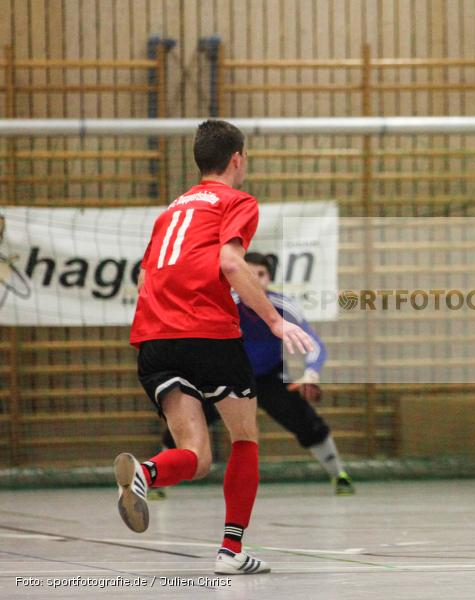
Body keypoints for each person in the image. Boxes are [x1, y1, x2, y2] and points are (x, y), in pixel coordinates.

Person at [116, 119, 314, 575]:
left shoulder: (170, 212)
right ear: (237, 158)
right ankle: (231, 550)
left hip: (155, 339)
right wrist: (275, 322)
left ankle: (146, 473)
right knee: (244, 439)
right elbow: (230, 262)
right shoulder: (236, 201)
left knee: (197, 456)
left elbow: (146, 277)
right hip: (210, 336)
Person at [151, 252, 354, 498]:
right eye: (250, 273)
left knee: (307, 422)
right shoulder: (223, 303)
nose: (255, 280)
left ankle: (339, 476)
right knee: (188, 423)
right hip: (227, 376)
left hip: (269, 376)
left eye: (261, 274)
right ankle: (159, 481)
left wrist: (311, 373)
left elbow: (313, 344)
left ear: (269, 278)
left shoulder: (282, 306)